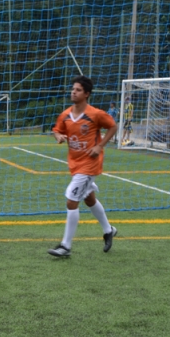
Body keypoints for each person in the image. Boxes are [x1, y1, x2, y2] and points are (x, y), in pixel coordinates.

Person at [48, 76, 118, 258]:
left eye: (78, 90)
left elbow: (113, 126)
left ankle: (65, 246)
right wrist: (58, 136)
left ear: (86, 94)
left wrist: (100, 146)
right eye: (73, 89)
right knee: (89, 199)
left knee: (71, 200)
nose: (74, 92)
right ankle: (108, 230)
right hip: (75, 164)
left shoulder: (95, 114)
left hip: (90, 164)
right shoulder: (66, 115)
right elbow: (56, 130)